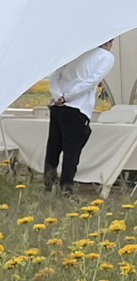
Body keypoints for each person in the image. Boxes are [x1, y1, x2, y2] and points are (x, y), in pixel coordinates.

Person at [45, 39, 116, 196]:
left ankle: (48, 185)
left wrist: (58, 96)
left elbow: (56, 75)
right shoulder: (105, 56)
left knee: (53, 148)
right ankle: (66, 189)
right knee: (72, 151)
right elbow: (90, 81)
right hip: (76, 107)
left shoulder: (76, 52)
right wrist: (69, 96)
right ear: (109, 42)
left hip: (58, 106)